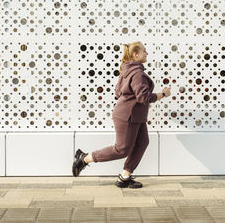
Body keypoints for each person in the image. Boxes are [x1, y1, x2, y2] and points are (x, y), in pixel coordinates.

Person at [72, 41, 171, 188]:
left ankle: (125, 176)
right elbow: (143, 97)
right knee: (121, 149)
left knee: (142, 143)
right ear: (136, 55)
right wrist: (162, 94)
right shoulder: (137, 73)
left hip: (135, 115)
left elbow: (118, 92)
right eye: (144, 51)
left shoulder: (127, 71)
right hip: (128, 116)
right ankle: (85, 158)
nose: (147, 53)